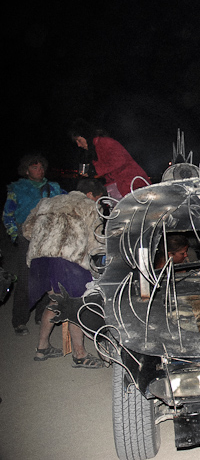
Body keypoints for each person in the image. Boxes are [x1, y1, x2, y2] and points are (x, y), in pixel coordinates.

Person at [22, 178, 108, 368]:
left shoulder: (47, 202)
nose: (98, 202)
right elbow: (97, 241)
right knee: (75, 306)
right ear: (90, 195)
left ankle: (42, 348)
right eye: (98, 198)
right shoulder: (88, 206)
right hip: (68, 262)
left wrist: (46, 240)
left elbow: (27, 230)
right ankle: (79, 354)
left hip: (41, 261)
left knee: (55, 302)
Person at [3, 154, 65, 335]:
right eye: (35, 167)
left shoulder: (54, 187)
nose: (40, 170)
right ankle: (19, 320)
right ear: (26, 170)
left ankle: (41, 315)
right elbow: (8, 215)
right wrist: (15, 234)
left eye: (41, 167)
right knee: (25, 280)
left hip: (49, 237)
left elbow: (69, 202)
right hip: (27, 237)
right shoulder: (17, 188)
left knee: (48, 278)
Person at [68, 119, 150, 199]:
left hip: (132, 184)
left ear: (86, 136)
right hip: (116, 187)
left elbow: (119, 161)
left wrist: (95, 170)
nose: (78, 145)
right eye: (76, 142)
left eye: (79, 140)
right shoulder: (94, 150)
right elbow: (104, 170)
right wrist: (91, 172)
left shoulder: (105, 142)